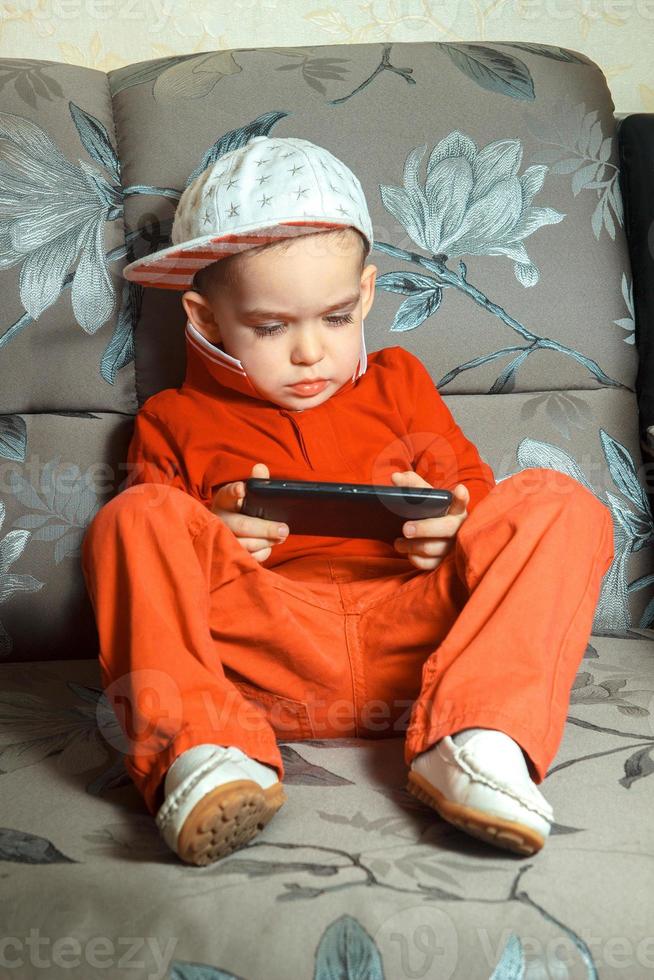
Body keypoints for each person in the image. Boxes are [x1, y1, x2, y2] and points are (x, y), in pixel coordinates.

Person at [81, 135, 614, 867]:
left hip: (417, 648)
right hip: (270, 656)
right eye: (272, 328)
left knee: (559, 501)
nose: (310, 353)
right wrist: (215, 538)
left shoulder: (401, 382)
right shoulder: (171, 418)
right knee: (133, 518)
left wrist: (449, 526)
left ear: (365, 295)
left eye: (335, 319)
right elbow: (153, 571)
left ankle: (477, 739)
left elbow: (486, 514)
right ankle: (203, 753)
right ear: (205, 322)